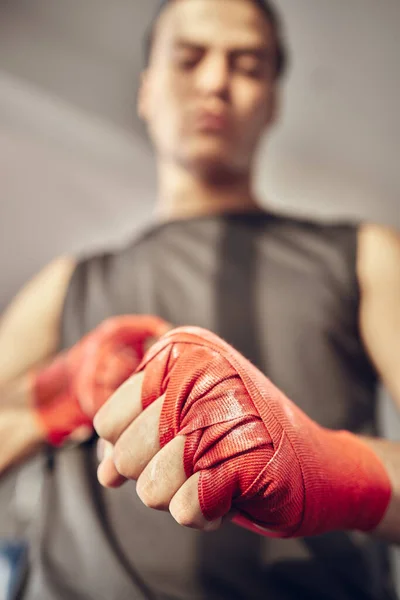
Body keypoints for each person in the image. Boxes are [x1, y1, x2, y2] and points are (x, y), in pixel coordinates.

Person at [0, 0, 400, 598]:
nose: (215, 81)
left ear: (273, 102)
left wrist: (334, 468)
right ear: (146, 90)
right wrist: (51, 400)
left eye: (248, 65)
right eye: (189, 59)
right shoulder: (67, 285)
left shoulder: (366, 255)